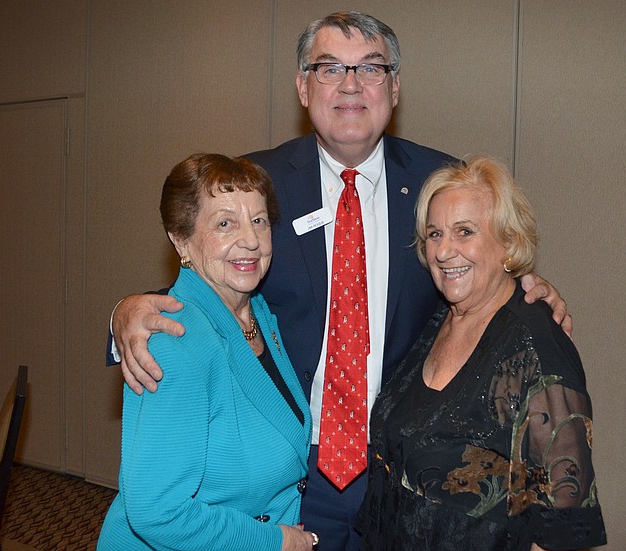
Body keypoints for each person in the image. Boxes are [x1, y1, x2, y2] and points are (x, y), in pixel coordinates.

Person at [109, 12, 571, 551]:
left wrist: (530, 287)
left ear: (394, 87)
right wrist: (121, 314)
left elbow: (478, 264)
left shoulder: (438, 183)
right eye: (329, 68)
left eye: (370, 69)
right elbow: (207, 275)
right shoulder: (256, 182)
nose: (350, 84)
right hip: (292, 476)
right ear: (303, 86)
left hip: (400, 472)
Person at [356, 156, 606, 550]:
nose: (443, 251)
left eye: (465, 232)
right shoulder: (438, 317)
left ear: (508, 242)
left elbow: (563, 525)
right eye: (434, 234)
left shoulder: (535, 346)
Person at [98, 154, 316, 551]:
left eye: (259, 220)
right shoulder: (173, 343)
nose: (250, 240)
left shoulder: (260, 315)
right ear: (180, 239)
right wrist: (274, 540)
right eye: (224, 223)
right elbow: (157, 512)